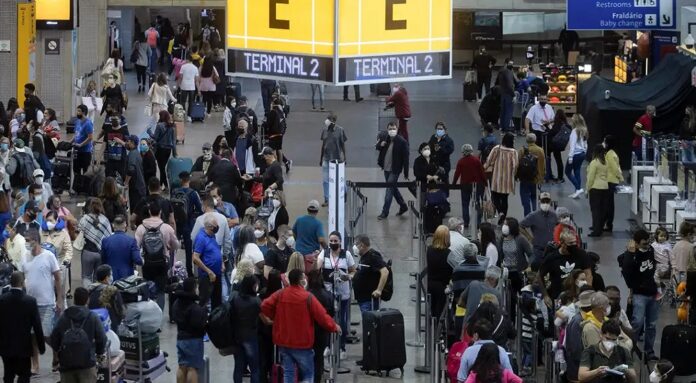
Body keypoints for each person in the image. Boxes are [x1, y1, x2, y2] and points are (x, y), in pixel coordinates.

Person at [260, 269, 340, 383]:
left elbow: (264, 305)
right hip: (302, 343)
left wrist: (275, 317)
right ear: (301, 280)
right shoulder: (307, 297)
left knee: (288, 373)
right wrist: (334, 326)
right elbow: (322, 316)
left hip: (283, 341)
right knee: (308, 375)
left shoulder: (280, 294)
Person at [22, 229, 62, 375]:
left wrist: (59, 299)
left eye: (28, 240)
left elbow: (57, 278)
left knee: (46, 335)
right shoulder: (25, 256)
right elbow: (23, 277)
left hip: (46, 303)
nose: (26, 243)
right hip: (30, 304)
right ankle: (35, 366)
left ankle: (57, 355)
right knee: (32, 336)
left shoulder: (48, 256)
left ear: (36, 240)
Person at [50, 287, 107, 383]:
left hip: (67, 364)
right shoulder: (93, 317)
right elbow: (102, 338)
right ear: (87, 300)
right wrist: (99, 353)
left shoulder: (64, 316)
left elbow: (54, 338)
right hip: (87, 364)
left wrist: (57, 357)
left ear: (74, 299)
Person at [620, 229, 659, 360]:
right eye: (644, 244)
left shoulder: (651, 251)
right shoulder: (630, 255)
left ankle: (649, 350)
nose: (647, 245)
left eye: (648, 242)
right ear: (636, 243)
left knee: (652, 324)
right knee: (637, 323)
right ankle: (631, 348)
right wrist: (631, 254)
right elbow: (626, 272)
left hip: (652, 293)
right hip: (639, 294)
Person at [0, 271, 45, 383]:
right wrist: (41, 345)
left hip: (6, 345)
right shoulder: (30, 301)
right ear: (22, 282)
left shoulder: (2, 300)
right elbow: (37, 326)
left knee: (8, 374)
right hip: (23, 346)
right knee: (25, 374)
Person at [135, 201, 180, 310]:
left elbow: (136, 246)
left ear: (149, 212)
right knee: (160, 291)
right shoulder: (166, 227)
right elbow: (176, 245)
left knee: (147, 287)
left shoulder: (141, 228)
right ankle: (159, 314)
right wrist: (169, 247)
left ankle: (148, 311)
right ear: (160, 212)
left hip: (147, 263)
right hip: (162, 262)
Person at [320, 231, 355, 359]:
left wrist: (348, 277)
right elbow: (318, 267)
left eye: (336, 241)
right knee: (328, 320)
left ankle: (342, 347)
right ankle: (328, 346)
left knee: (342, 321)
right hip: (328, 293)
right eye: (331, 241)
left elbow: (353, 271)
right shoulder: (324, 253)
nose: (333, 243)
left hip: (343, 293)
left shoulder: (347, 254)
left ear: (340, 242)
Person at [538, 228, 593, 304]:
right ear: (562, 243)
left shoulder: (581, 254)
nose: (573, 245)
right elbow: (539, 276)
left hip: (578, 296)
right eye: (570, 243)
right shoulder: (552, 258)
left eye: (575, 242)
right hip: (558, 297)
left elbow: (588, 274)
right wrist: (545, 295)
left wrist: (587, 292)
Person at [231, 275, 262, 383]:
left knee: (238, 367)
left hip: (237, 336)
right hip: (251, 336)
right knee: (254, 368)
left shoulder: (235, 298)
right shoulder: (256, 301)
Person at [376, 122, 409, 220]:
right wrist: (380, 145)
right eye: (390, 129)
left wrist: (406, 173)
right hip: (386, 168)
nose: (392, 130)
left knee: (389, 190)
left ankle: (384, 212)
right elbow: (377, 147)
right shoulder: (385, 138)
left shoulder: (402, 142)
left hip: (395, 170)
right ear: (387, 129)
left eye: (394, 128)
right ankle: (403, 206)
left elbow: (406, 158)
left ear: (397, 129)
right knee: (393, 188)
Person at [306, 270, 334, 383]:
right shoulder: (327, 295)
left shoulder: (306, 295)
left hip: (308, 330)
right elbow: (331, 314)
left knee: (307, 357)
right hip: (322, 331)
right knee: (319, 357)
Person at [484, 133, 518, 225]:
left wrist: (483, 168)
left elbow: (489, 160)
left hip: (496, 179)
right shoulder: (513, 152)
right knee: (504, 199)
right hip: (507, 180)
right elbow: (515, 166)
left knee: (495, 197)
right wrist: (513, 176)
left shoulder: (496, 148)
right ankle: (503, 217)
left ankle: (500, 213)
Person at [174, 171, 203, 277]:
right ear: (189, 180)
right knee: (188, 248)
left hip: (177, 223)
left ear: (180, 180)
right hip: (188, 223)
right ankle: (189, 272)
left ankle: (174, 270)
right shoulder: (193, 193)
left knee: (174, 247)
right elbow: (200, 209)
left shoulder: (175, 192)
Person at [78, 199, 112, 285]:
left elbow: (79, 231)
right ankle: (96, 296)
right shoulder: (105, 220)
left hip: (87, 252)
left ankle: (87, 296)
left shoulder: (85, 218)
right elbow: (109, 237)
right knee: (98, 278)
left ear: (90, 207)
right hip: (100, 253)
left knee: (86, 276)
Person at [193, 215, 223, 310]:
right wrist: (208, 271)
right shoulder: (201, 238)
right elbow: (195, 258)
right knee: (204, 301)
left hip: (217, 274)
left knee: (217, 301)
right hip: (207, 276)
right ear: (210, 227)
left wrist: (221, 263)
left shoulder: (212, 235)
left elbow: (216, 250)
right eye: (215, 225)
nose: (217, 226)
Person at [352, 235, 389, 312]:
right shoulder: (364, 257)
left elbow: (385, 272)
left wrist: (379, 290)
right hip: (362, 299)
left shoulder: (373, 256)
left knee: (370, 322)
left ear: (361, 245)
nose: (354, 247)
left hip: (369, 300)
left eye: (356, 244)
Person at [452, 144, 486, 229]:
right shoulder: (476, 160)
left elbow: (457, 174)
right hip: (476, 185)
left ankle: (466, 222)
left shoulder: (461, 161)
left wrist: (453, 183)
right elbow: (482, 172)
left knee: (465, 204)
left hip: (465, 186)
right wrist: (485, 183)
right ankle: (478, 222)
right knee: (478, 203)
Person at [520, 191, 558, 264]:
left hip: (553, 249)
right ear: (539, 201)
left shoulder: (554, 215)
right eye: (543, 201)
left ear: (550, 202)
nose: (545, 203)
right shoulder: (533, 216)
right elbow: (520, 226)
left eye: (547, 201)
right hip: (538, 250)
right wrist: (529, 238)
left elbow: (558, 226)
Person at [320, 113, 347, 206]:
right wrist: (321, 158)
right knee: (325, 180)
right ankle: (327, 199)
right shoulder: (324, 130)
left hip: (338, 159)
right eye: (327, 118)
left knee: (341, 180)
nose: (327, 120)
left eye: (329, 119)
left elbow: (343, 144)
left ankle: (344, 193)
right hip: (326, 159)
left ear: (334, 121)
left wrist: (345, 157)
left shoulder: (340, 130)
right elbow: (323, 145)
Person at [87, 265, 125, 330]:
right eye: (111, 275)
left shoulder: (90, 289)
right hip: (110, 324)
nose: (112, 277)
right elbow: (120, 309)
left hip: (93, 324)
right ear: (106, 278)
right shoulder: (113, 290)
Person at [427, 225, 453, 317]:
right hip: (442, 286)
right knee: (440, 310)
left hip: (429, 284)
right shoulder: (448, 253)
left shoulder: (429, 250)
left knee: (433, 308)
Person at [518, 133, 546, 216]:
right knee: (534, 196)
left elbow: (518, 164)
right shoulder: (540, 150)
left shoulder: (522, 150)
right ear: (535, 140)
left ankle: (527, 214)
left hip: (524, 178)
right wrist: (541, 177)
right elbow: (542, 165)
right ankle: (535, 213)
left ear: (526, 140)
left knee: (525, 196)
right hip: (536, 178)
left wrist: (516, 175)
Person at [603, 135, 623, 232]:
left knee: (608, 205)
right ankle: (606, 223)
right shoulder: (611, 153)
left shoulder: (610, 154)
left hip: (610, 181)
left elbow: (615, 168)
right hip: (610, 181)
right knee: (608, 204)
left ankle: (608, 224)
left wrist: (620, 177)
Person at [566, 114, 589, 198]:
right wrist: (584, 152)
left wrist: (570, 156)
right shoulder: (584, 130)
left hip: (575, 154)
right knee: (577, 171)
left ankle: (578, 188)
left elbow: (572, 144)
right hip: (582, 154)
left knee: (567, 172)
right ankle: (576, 192)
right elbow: (586, 143)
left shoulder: (574, 131)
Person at [125, 135, 147, 211]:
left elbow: (131, 170)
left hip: (136, 188)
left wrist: (126, 182)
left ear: (132, 143)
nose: (126, 143)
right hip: (140, 187)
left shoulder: (132, 154)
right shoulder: (136, 152)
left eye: (128, 141)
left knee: (136, 210)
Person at [545, 110, 568, 183]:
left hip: (552, 144)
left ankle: (548, 175)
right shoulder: (565, 125)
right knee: (559, 161)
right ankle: (560, 177)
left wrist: (546, 126)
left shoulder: (557, 124)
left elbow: (551, 132)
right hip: (559, 145)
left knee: (548, 159)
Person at [72, 105, 94, 179]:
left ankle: (85, 188)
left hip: (85, 152)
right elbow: (76, 134)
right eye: (77, 111)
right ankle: (77, 188)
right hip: (77, 151)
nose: (77, 113)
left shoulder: (88, 123)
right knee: (76, 171)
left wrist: (81, 145)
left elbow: (90, 137)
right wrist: (70, 142)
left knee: (85, 173)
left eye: (79, 111)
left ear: (84, 112)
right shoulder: (77, 121)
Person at [177, 54, 200, 121]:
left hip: (184, 86)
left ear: (187, 59)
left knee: (183, 101)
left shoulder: (183, 67)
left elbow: (180, 77)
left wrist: (177, 86)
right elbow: (196, 80)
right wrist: (198, 90)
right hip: (192, 87)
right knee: (191, 102)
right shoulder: (195, 68)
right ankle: (189, 116)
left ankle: (183, 114)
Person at [496, 59, 515, 132]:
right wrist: (513, 95)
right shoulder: (508, 72)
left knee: (503, 111)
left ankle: (501, 126)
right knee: (508, 112)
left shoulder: (501, 71)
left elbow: (497, 82)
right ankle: (506, 128)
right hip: (509, 94)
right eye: (510, 64)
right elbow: (510, 85)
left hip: (503, 93)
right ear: (506, 64)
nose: (512, 65)